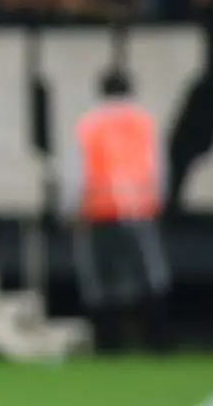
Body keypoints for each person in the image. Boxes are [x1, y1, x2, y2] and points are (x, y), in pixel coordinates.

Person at [60, 73, 173, 353]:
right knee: (149, 278)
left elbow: (78, 172)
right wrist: (159, 200)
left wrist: (69, 208)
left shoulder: (89, 124)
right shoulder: (143, 122)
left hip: (100, 211)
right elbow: (158, 166)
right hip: (139, 209)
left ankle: (109, 344)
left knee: (102, 283)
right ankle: (158, 342)